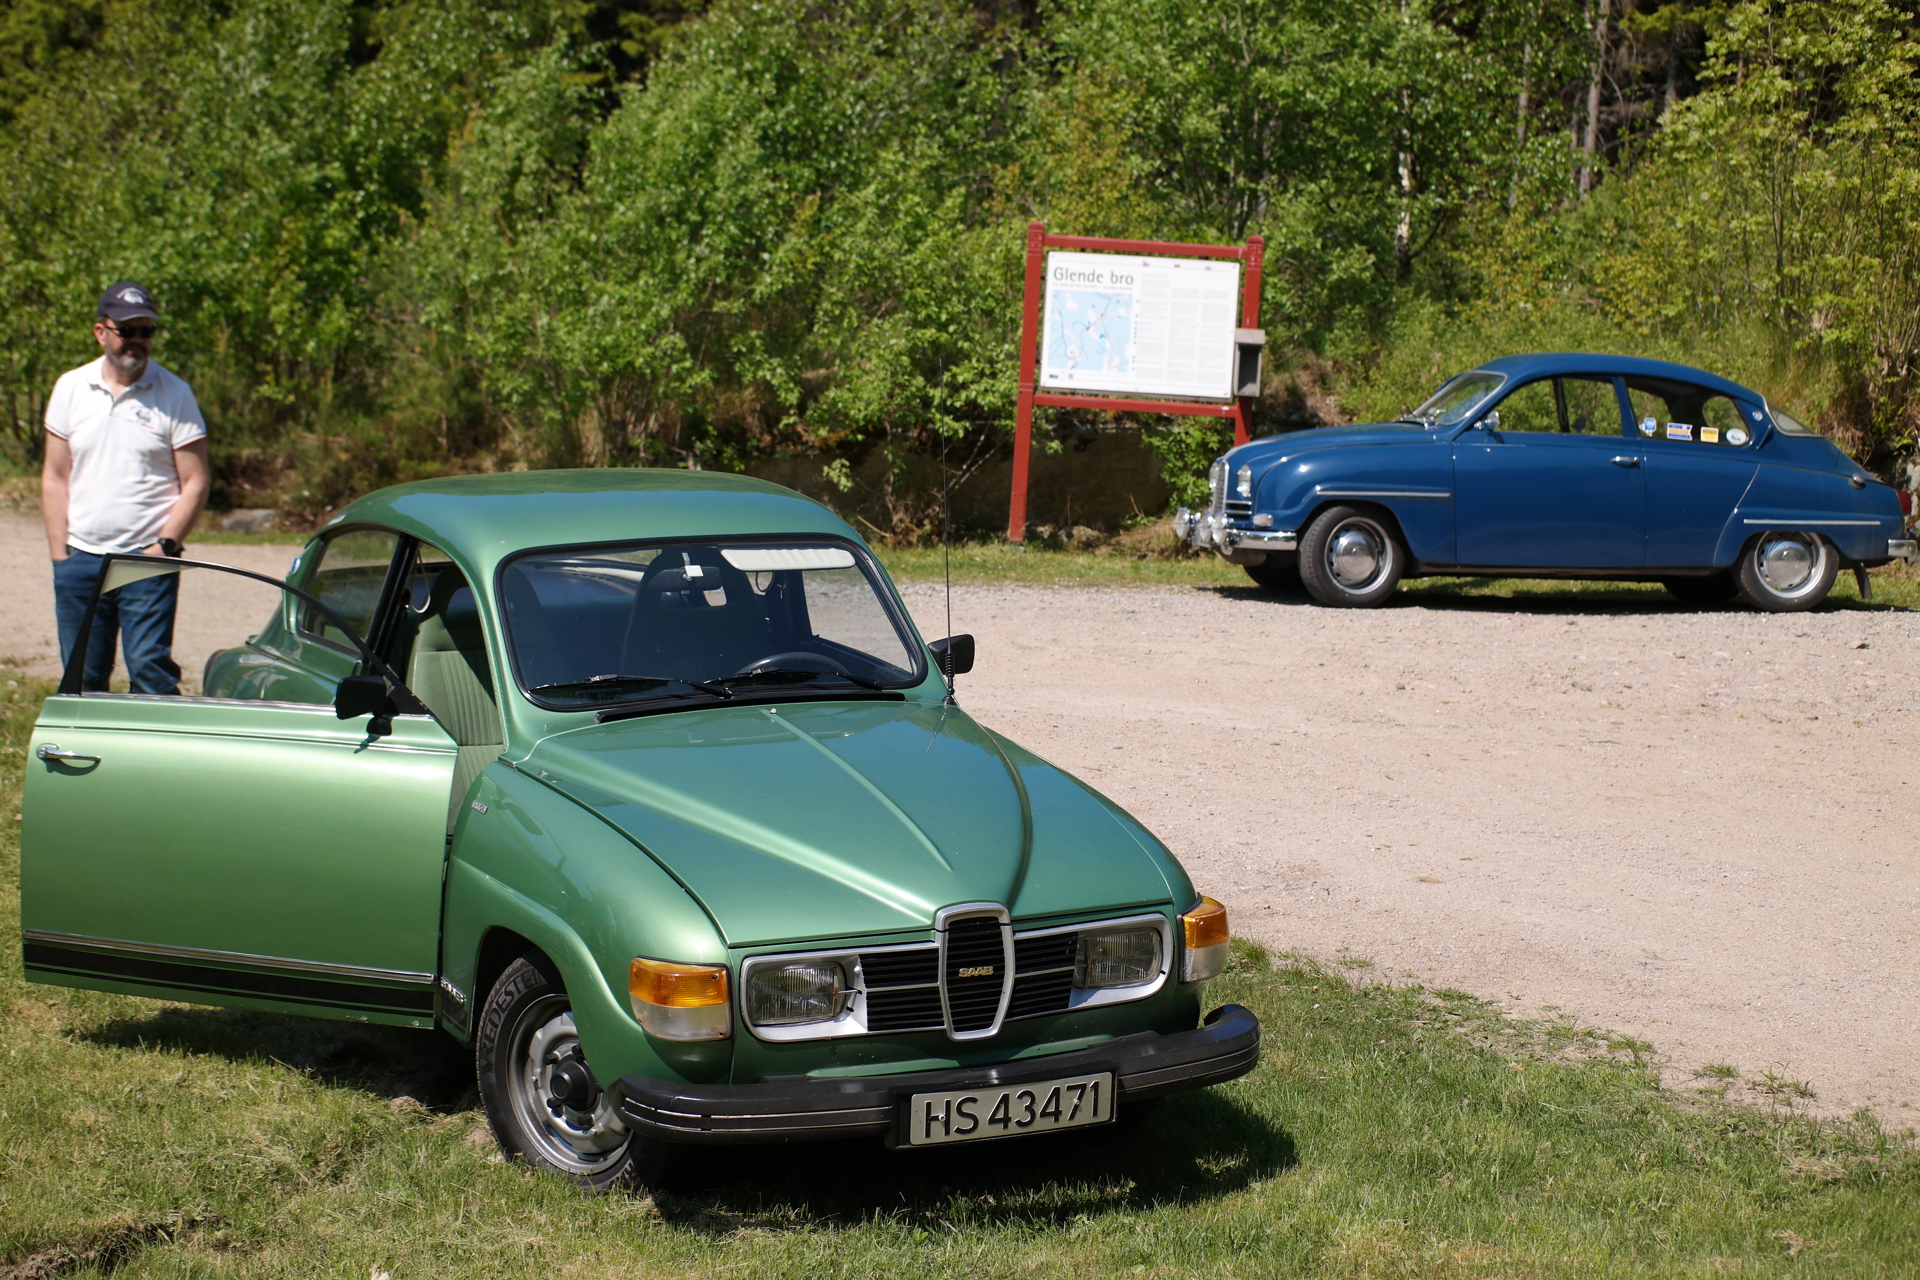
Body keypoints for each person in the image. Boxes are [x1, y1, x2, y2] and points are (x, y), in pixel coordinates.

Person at [42, 282, 209, 694]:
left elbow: (196, 480)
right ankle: (84, 737)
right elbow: (55, 476)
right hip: (80, 559)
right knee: (82, 678)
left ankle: (154, 740)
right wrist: (60, 555)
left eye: (145, 331)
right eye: (127, 330)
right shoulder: (71, 387)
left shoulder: (175, 394)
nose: (137, 340)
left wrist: (165, 546)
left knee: (151, 673)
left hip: (146, 560)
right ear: (101, 332)